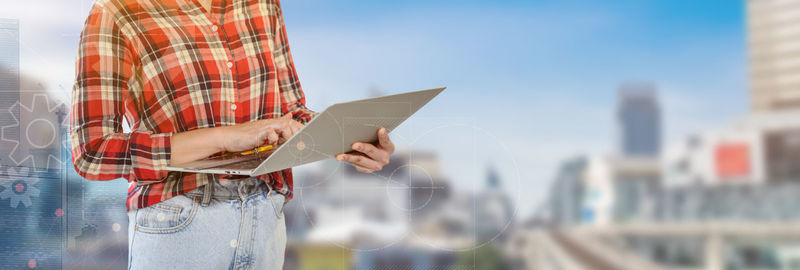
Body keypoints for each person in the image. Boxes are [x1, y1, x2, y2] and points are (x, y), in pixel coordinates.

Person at [70, 0, 394, 268]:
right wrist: (227, 136)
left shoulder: (263, 5)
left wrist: (350, 136)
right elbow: (91, 151)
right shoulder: (118, 12)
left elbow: (291, 111)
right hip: (181, 219)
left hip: (264, 216)